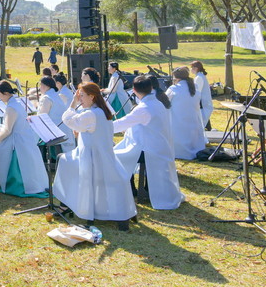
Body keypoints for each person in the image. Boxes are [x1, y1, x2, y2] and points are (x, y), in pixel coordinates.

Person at [54, 82, 137, 228]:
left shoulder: (90, 114)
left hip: (90, 158)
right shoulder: (103, 112)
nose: (80, 99)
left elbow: (68, 120)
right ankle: (71, 202)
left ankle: (67, 204)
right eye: (78, 97)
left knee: (63, 161)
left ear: (92, 97)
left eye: (82, 96)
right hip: (105, 158)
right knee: (66, 161)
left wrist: (72, 104)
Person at [112, 76, 184, 210]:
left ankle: (128, 190)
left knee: (114, 156)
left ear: (133, 90)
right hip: (159, 147)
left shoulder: (143, 108)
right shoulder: (157, 102)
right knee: (119, 152)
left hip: (150, 150)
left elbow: (121, 124)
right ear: (151, 88)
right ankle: (132, 188)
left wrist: (99, 126)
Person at [0, 80, 49, 197]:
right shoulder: (17, 102)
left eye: (0, 95)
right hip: (24, 137)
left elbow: (8, 131)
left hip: (18, 140)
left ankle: (14, 184)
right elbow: (12, 126)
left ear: (6, 93)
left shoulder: (11, 107)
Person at [167, 66, 206, 160]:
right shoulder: (194, 87)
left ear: (176, 78)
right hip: (193, 124)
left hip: (178, 124)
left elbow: (164, 103)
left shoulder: (174, 89)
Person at [36, 76, 75, 152]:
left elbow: (41, 118)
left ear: (45, 86)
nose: (40, 88)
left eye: (41, 85)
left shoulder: (47, 98)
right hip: (64, 134)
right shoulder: (57, 95)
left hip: (56, 137)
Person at [190, 61, 213, 129]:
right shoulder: (200, 76)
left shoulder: (199, 78)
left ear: (196, 68)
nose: (191, 69)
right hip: (203, 103)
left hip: (203, 104)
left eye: (192, 67)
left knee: (201, 123)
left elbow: (197, 92)